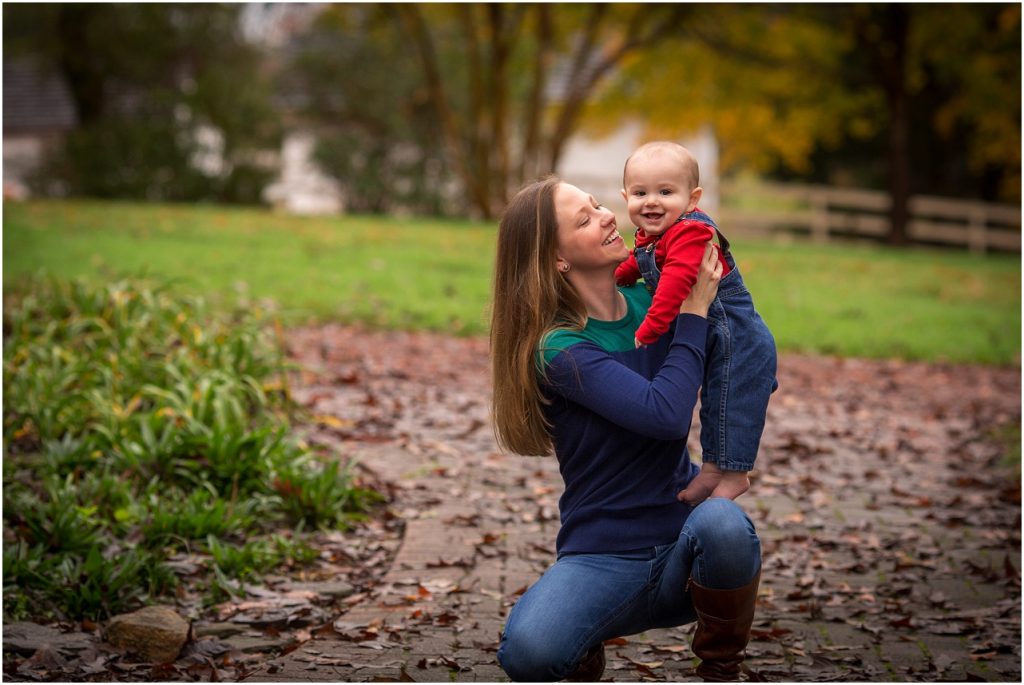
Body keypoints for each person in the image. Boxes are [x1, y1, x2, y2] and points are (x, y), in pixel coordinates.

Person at [490, 176, 762, 682]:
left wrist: (732, 454)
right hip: (603, 555)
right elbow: (663, 415)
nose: (609, 215)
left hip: (686, 542)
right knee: (529, 654)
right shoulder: (559, 349)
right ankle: (584, 643)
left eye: (598, 205)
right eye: (585, 219)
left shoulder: (652, 300)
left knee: (725, 524)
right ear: (556, 260)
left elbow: (745, 361)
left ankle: (722, 669)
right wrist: (694, 312)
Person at [615, 141, 778, 503]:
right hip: (711, 330)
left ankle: (735, 473)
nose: (651, 201)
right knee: (713, 403)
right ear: (625, 196)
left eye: (665, 192)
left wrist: (652, 327)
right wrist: (618, 275)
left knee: (732, 402)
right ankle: (711, 470)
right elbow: (638, 261)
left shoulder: (691, 232)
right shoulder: (651, 236)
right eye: (640, 192)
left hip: (736, 332)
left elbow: (675, 282)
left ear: (692, 199)